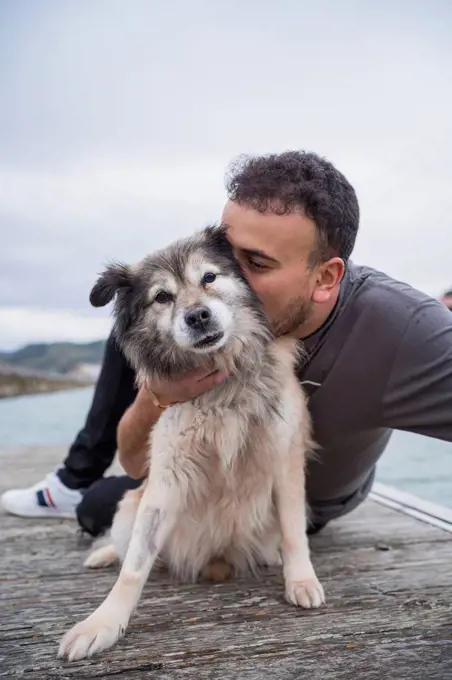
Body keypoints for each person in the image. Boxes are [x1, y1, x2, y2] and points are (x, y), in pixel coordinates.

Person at [2, 151, 452, 538]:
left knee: (102, 506)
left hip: (298, 506)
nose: (227, 279)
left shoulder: (401, 330)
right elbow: (139, 464)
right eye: (223, 254)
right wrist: (157, 397)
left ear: (326, 278)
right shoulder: (215, 308)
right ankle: (72, 479)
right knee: (144, 312)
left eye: (255, 263)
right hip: (212, 483)